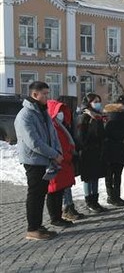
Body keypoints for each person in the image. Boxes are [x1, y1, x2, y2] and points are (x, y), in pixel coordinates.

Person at [15, 81, 63, 240]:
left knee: (41, 194)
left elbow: (53, 134)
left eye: (47, 93)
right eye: (44, 94)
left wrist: (57, 151)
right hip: (34, 161)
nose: (47, 97)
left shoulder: (42, 112)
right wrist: (53, 154)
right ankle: (32, 229)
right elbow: (34, 142)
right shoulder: (25, 115)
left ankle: (38, 225)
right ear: (35, 95)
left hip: (45, 159)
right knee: (35, 195)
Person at [46, 99, 77, 228]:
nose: (61, 114)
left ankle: (58, 215)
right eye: (59, 112)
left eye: (62, 112)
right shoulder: (52, 126)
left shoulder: (60, 125)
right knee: (54, 192)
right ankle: (55, 217)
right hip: (57, 161)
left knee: (59, 190)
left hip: (65, 162)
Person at [76, 93, 108, 213]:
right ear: (89, 103)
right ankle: (89, 201)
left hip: (98, 150)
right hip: (88, 151)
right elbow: (80, 136)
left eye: (99, 101)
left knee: (96, 177)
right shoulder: (85, 117)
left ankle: (95, 201)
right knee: (89, 178)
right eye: (95, 101)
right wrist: (86, 146)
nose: (98, 103)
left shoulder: (98, 117)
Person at [103, 96, 124, 207]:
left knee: (115, 175)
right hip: (114, 149)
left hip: (119, 149)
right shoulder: (116, 116)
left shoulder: (121, 115)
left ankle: (114, 196)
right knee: (113, 174)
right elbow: (110, 131)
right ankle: (113, 197)